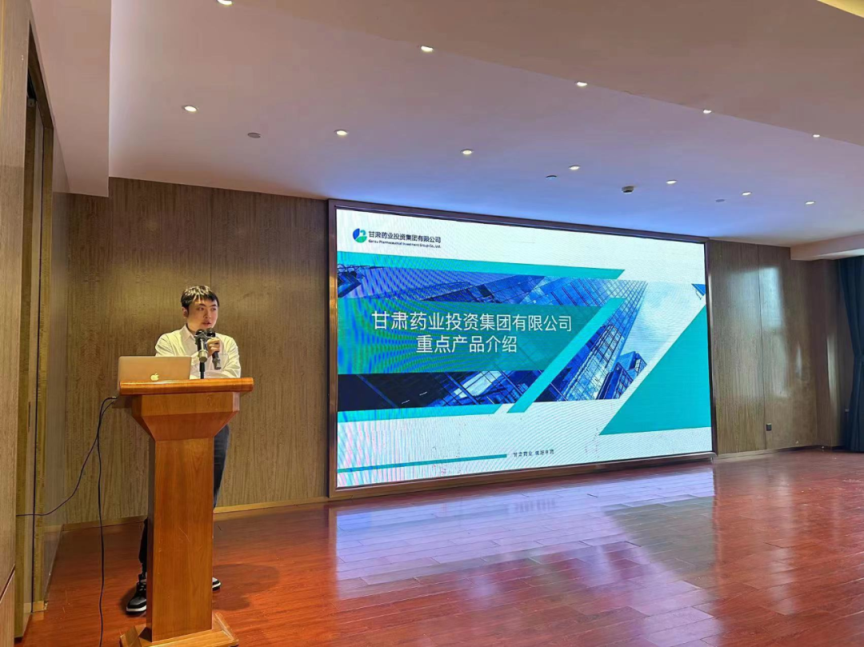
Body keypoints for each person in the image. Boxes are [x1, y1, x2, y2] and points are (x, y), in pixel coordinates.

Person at [125, 285, 241, 615]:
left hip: (215, 426)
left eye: (213, 309)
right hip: (171, 429)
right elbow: (167, 378)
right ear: (185, 312)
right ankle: (148, 576)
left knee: (205, 501)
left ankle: (197, 567)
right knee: (165, 501)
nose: (208, 316)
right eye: (201, 309)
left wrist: (215, 359)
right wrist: (199, 358)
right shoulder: (169, 341)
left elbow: (232, 378)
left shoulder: (227, 343)